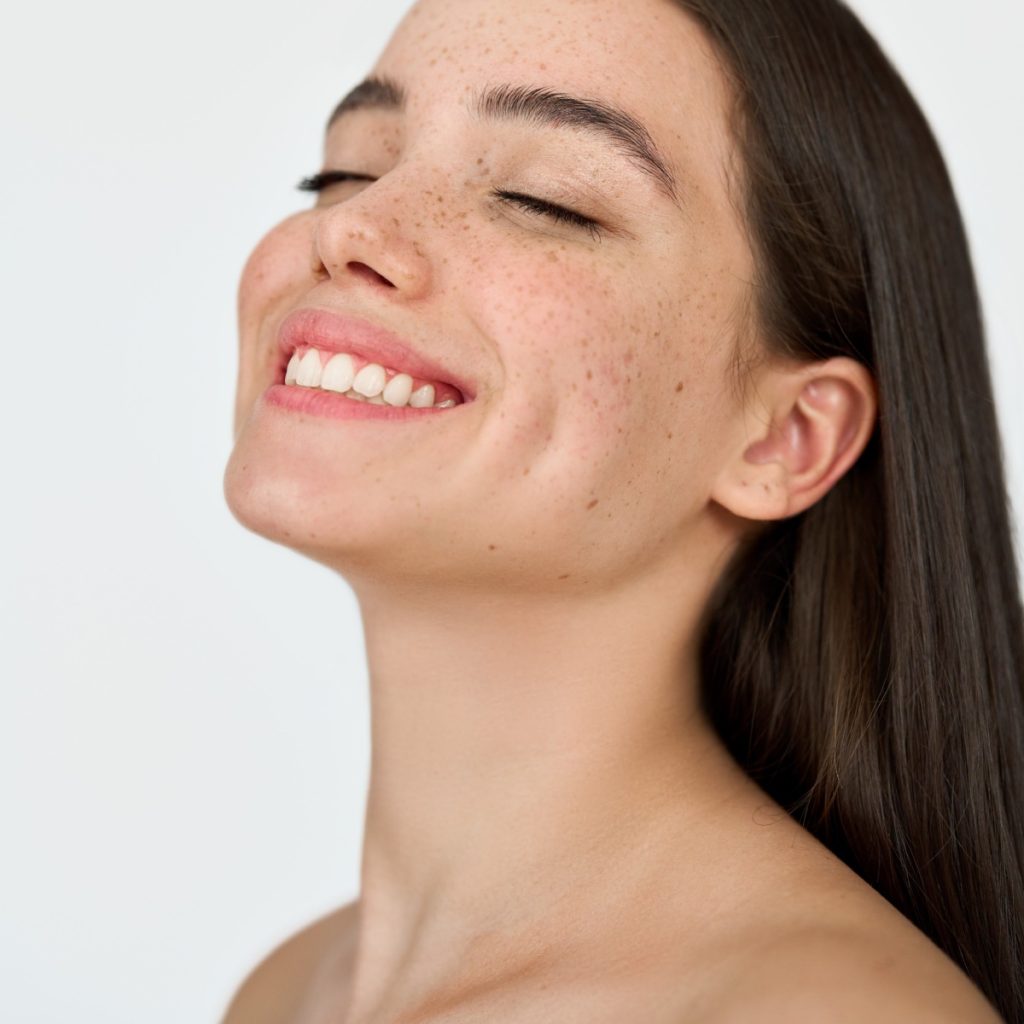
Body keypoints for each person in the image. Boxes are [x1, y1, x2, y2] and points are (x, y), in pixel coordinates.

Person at [221, 0, 1023, 1019]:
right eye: (349, 169)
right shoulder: (288, 990)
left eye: (544, 198)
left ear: (786, 439)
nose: (348, 228)